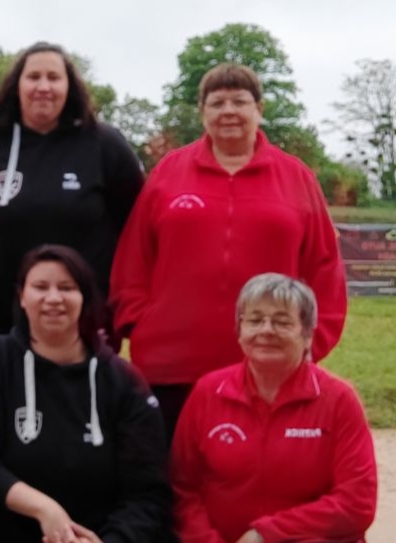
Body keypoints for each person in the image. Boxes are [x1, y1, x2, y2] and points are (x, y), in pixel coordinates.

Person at [110, 63, 347, 443]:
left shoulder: (296, 177)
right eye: (217, 102)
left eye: (240, 101)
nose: (228, 111)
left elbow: (324, 268)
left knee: (252, 485)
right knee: (169, 484)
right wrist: (140, 323)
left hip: (265, 369)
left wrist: (307, 343)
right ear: (203, 111)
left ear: (260, 109)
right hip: (171, 369)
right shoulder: (169, 173)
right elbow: (134, 259)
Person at [0, 244, 173, 543]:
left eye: (66, 288)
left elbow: (149, 491)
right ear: (21, 296)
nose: (53, 298)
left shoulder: (121, 379)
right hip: (26, 531)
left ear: (85, 298)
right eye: (40, 287)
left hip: (100, 536)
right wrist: (44, 509)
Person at [171, 273, 376, 543]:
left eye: (282, 322)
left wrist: (265, 535)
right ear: (239, 330)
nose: (266, 331)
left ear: (307, 334)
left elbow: (356, 502)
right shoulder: (207, 392)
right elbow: (182, 489)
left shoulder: (338, 399)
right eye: (254, 320)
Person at [0, 41, 144, 344]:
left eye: (54, 78)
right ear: (17, 86)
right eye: (33, 77)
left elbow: (137, 228)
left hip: (87, 322)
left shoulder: (104, 145)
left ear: (70, 86)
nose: (43, 86)